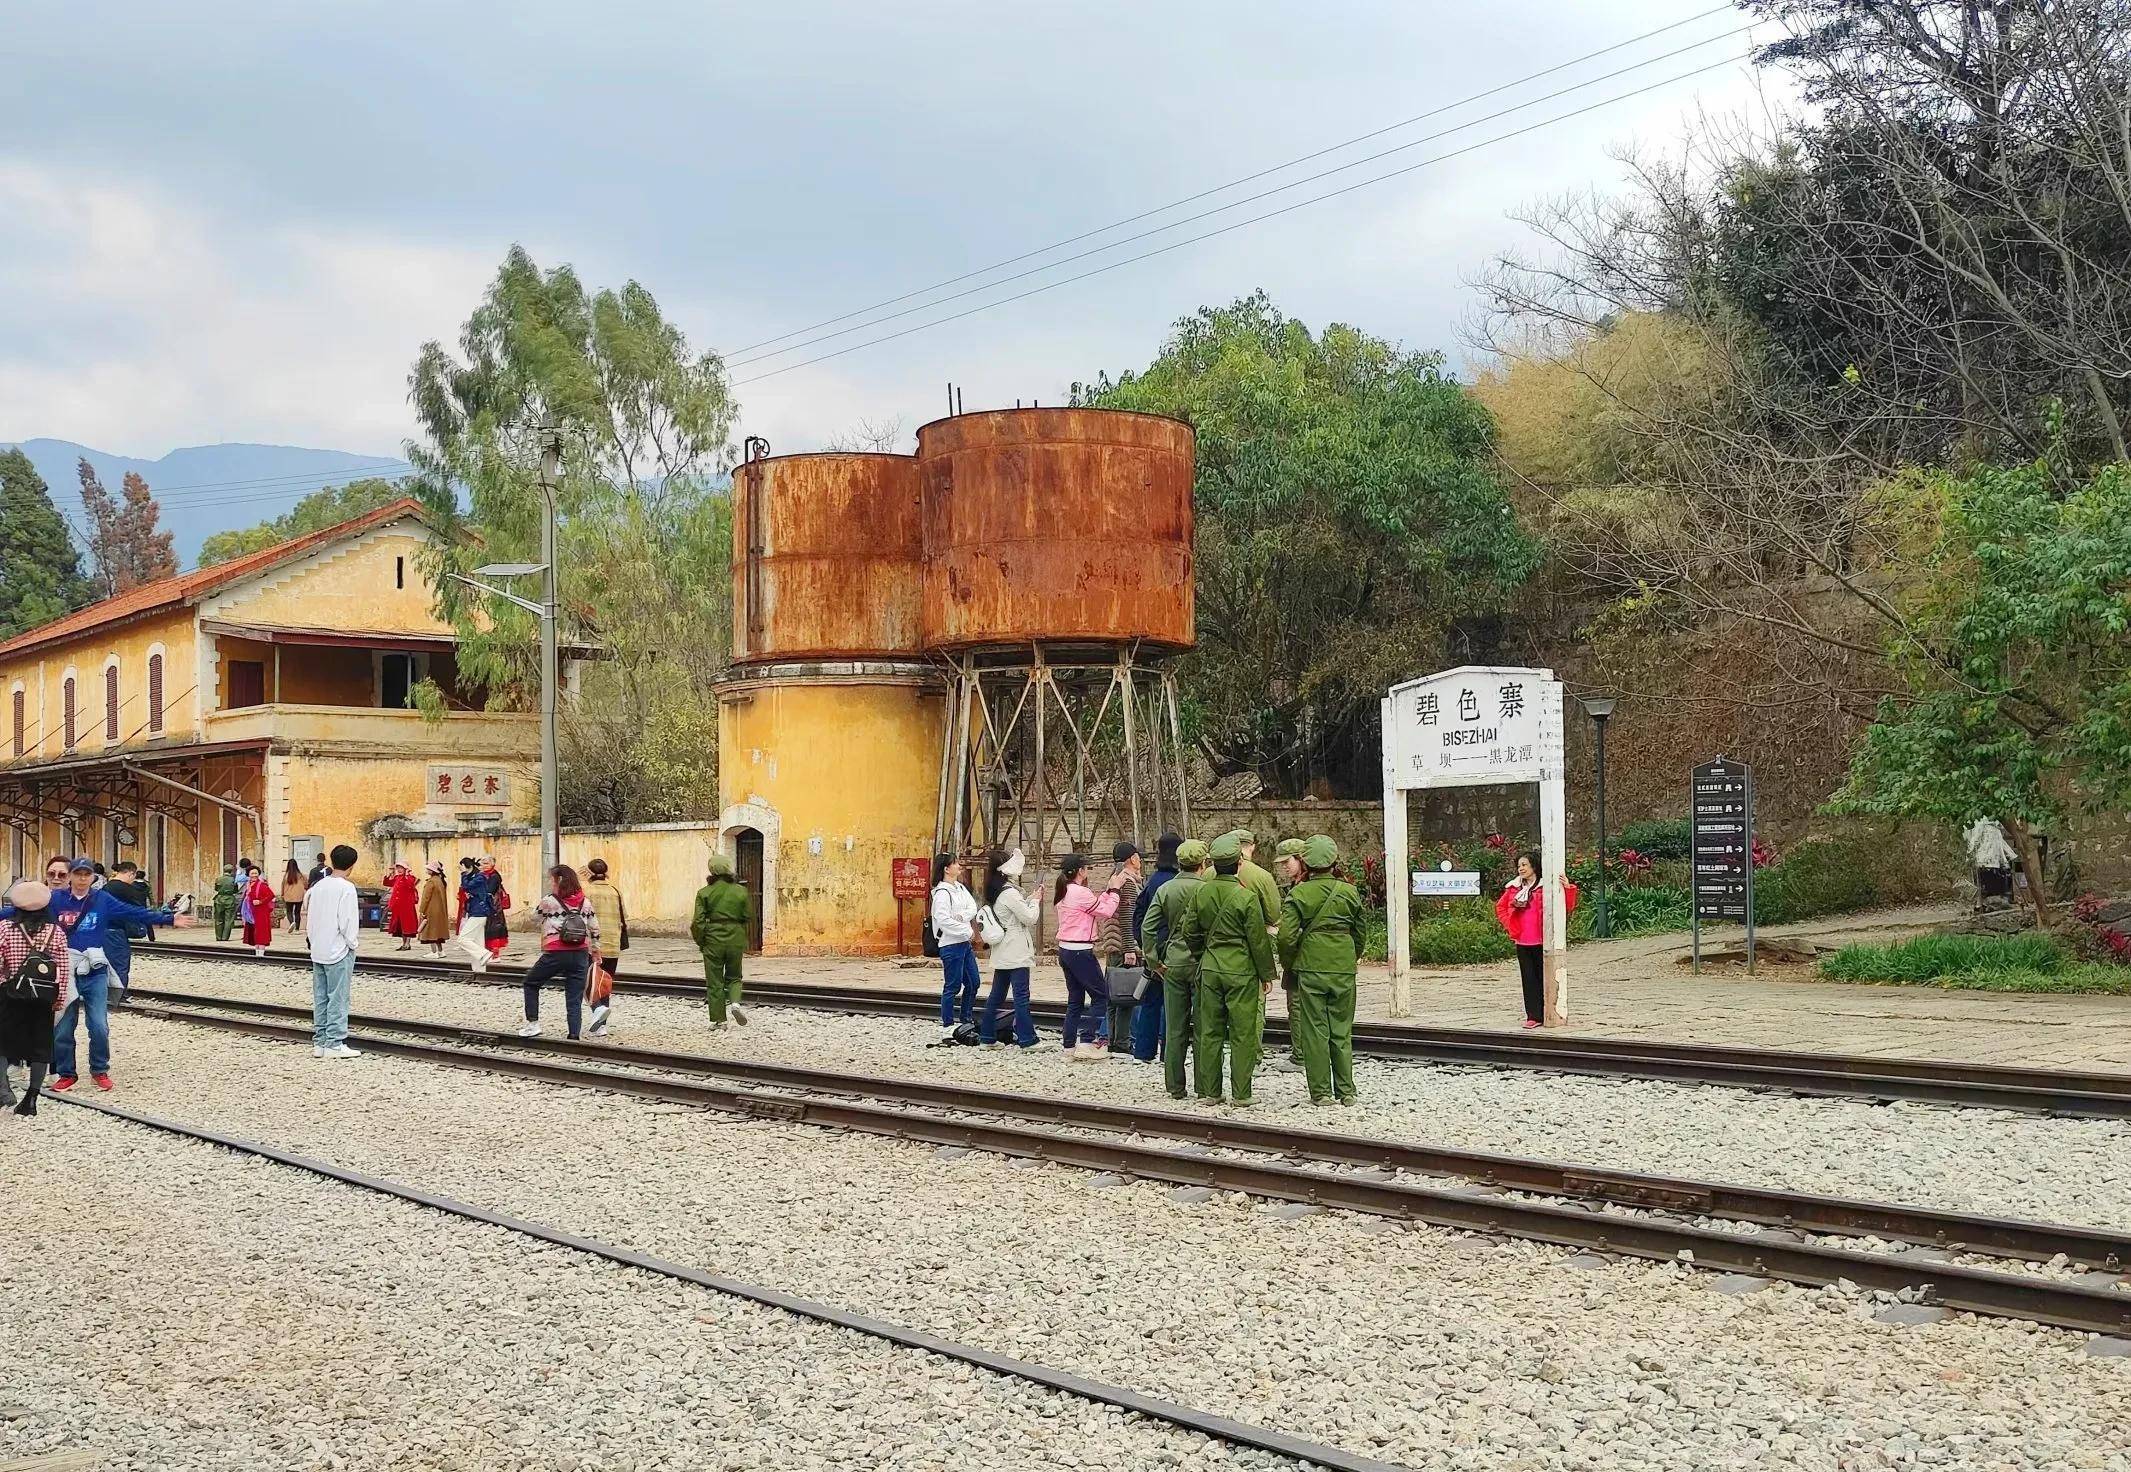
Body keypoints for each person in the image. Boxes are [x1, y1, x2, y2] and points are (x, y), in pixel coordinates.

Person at [45, 856, 184, 1090]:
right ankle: (66, 1073)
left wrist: (168, 919)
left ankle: (100, 1070)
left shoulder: (102, 899)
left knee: (99, 1024)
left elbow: (133, 912)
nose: (81, 878)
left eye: (86, 874)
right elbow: (22, 911)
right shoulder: (55, 899)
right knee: (63, 1027)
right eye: (77, 873)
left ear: (92, 877)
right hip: (65, 968)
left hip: (95, 969)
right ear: (70, 876)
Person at [1178, 833, 1275, 1106]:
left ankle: (1211, 1092)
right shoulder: (1246, 897)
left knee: (1209, 1031)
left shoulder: (1201, 891)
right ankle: (1242, 1094)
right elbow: (1257, 939)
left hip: (1210, 968)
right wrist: (1266, 974)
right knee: (1242, 1033)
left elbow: (1189, 930)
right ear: (1238, 864)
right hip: (1241, 970)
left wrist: (1203, 954)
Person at [1278, 836, 1367, 1106]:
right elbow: (1360, 932)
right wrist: (1351, 956)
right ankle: (1347, 1092)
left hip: (1311, 966)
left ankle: (1321, 1093)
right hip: (1342, 966)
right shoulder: (1349, 892)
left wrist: (1290, 962)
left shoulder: (1298, 894)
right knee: (1341, 1029)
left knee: (1315, 1029)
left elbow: (1286, 937)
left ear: (1305, 862)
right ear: (1333, 862)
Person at [1141, 838, 1207, 1100]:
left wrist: (1154, 961)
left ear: (1179, 863)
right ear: (1203, 864)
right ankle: (1205, 1086)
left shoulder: (1165, 889)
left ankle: (1175, 1086)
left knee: (1175, 1027)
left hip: (1173, 964)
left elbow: (1148, 927)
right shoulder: (1207, 890)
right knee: (1204, 1028)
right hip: (1201, 964)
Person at [0, 880, 71, 1117]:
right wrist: (58, 999)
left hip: (11, 995)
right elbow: (62, 968)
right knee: (41, 1046)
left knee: (2, 1042)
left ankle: (4, 1091)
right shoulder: (56, 932)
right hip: (43, 997)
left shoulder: (5, 929)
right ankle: (31, 1099)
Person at [1495, 848, 1579, 1029]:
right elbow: (1500, 907)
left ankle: (1549, 1012)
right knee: (1529, 978)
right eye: (1519, 866)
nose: (1521, 869)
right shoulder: (1514, 888)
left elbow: (1567, 907)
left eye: (1524, 865)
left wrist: (1567, 887)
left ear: (1534, 866)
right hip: (1522, 940)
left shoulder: (1546, 887)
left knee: (1544, 978)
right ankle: (1533, 1015)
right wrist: (1509, 924)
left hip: (1543, 941)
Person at [1053, 854, 1122, 1059]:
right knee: (1101, 996)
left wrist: (1109, 891)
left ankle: (1068, 1046)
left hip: (1066, 950)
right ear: (1080, 871)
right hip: (1080, 951)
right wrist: (1116, 890)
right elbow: (1106, 911)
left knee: (1075, 999)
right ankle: (1087, 1042)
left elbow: (1095, 905)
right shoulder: (1080, 892)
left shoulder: (1064, 891)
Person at [519, 864, 598, 1041]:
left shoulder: (549, 900)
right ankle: (574, 1034)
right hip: (580, 953)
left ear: (558, 881)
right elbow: (594, 927)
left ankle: (533, 1024)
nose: (549, 882)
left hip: (556, 952)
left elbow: (534, 918)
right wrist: (596, 951)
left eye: (551, 879)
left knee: (531, 982)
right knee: (574, 995)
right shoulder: (585, 901)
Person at [305, 844, 363, 1060]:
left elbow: (309, 917)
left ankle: (320, 1041)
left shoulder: (318, 886)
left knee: (321, 997)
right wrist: (352, 943)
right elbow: (347, 921)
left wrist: (312, 940)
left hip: (318, 948)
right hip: (338, 948)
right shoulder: (346, 888)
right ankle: (335, 1042)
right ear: (352, 865)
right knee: (338, 997)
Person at [978, 849, 1040, 1048]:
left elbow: (1014, 913)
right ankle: (1027, 1039)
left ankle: (987, 1037)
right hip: (1017, 950)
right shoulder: (1011, 893)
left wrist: (1029, 899)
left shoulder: (997, 891)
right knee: (1021, 996)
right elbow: (1029, 918)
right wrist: (1037, 900)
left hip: (1003, 950)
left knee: (997, 996)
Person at [1127, 834, 1180, 1062]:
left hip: (1152, 950)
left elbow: (1138, 917)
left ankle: (1143, 1051)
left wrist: (1145, 946)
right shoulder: (1176, 883)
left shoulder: (1151, 881)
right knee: (1172, 1004)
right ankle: (1168, 1053)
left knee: (1150, 1002)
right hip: (1172, 951)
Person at [690, 855, 752, 1029]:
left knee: (715, 980)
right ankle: (735, 1004)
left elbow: (698, 922)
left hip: (712, 939)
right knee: (734, 976)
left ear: (712, 870)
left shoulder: (704, 892)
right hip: (735, 937)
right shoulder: (741, 891)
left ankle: (719, 1020)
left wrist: (701, 941)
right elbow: (748, 916)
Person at [928, 853, 981, 1042]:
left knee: (973, 982)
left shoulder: (959, 888)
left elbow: (972, 907)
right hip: (951, 944)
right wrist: (964, 929)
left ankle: (966, 1019)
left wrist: (961, 917)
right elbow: (943, 920)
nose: (959, 866)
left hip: (964, 944)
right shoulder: (942, 893)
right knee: (952, 986)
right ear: (946, 868)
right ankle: (948, 1025)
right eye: (955, 863)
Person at [1100, 842, 1146, 1054]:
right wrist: (1130, 948)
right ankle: (1122, 1043)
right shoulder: (1127, 882)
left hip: (1114, 945)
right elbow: (1127, 917)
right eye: (1138, 857)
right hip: (1123, 945)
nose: (1141, 861)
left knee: (1113, 996)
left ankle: (1112, 1040)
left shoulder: (1115, 880)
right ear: (1132, 858)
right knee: (1126, 996)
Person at [582, 858, 628, 1037]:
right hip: (613, 943)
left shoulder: (585, 891)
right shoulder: (615, 891)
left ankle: (597, 1014)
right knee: (605, 984)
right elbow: (624, 916)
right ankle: (602, 1024)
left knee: (588, 983)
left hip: (591, 944)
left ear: (590, 873)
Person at [100, 860, 157, 997]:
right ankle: (118, 996)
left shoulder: (106, 887)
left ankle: (107, 992)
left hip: (103, 931)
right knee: (120, 964)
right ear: (132, 873)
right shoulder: (128, 889)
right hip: (117, 931)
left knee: (107, 963)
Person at [457, 856, 496, 972]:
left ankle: (484, 954)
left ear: (467, 867)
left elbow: (466, 886)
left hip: (479, 912)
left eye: (462, 867)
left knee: (462, 939)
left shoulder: (480, 877)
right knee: (477, 942)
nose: (460, 870)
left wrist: (463, 874)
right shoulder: (475, 877)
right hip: (476, 911)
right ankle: (479, 969)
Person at [239, 860, 275, 955]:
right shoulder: (249, 885)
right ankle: (257, 953)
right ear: (248, 874)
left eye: (256, 873)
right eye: (252, 873)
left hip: (261, 912)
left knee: (261, 933)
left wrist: (260, 901)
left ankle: (261, 954)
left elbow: (271, 895)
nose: (254, 875)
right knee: (255, 932)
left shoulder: (262, 885)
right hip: (252, 912)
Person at [479, 857, 511, 963]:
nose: (484, 865)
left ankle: (495, 955)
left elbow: (489, 892)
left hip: (493, 908)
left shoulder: (493, 876)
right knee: (488, 931)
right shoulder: (485, 875)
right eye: (482, 863)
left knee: (493, 932)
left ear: (492, 864)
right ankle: (489, 954)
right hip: (489, 907)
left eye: (486, 863)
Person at [416, 861, 451, 957]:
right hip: (440, 911)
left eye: (428, 869)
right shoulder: (440, 881)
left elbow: (426, 898)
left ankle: (434, 952)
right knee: (437, 931)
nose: (426, 870)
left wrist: (422, 910)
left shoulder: (431, 882)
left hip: (431, 910)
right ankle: (440, 951)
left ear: (432, 871)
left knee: (431, 931)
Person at [386, 862, 420, 950]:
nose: (399, 870)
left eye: (401, 868)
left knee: (408, 925)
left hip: (407, 906)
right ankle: (404, 943)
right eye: (398, 868)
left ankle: (407, 944)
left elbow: (410, 885)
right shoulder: (397, 878)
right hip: (398, 906)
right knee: (400, 926)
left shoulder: (410, 878)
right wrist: (390, 874)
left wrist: (407, 874)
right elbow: (387, 883)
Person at [280, 859, 308, 929]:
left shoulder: (286, 876)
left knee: (289, 911)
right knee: (297, 912)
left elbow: (282, 886)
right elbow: (306, 885)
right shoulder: (301, 875)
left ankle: (292, 923)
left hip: (288, 896)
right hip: (299, 896)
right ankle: (297, 928)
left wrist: (282, 894)